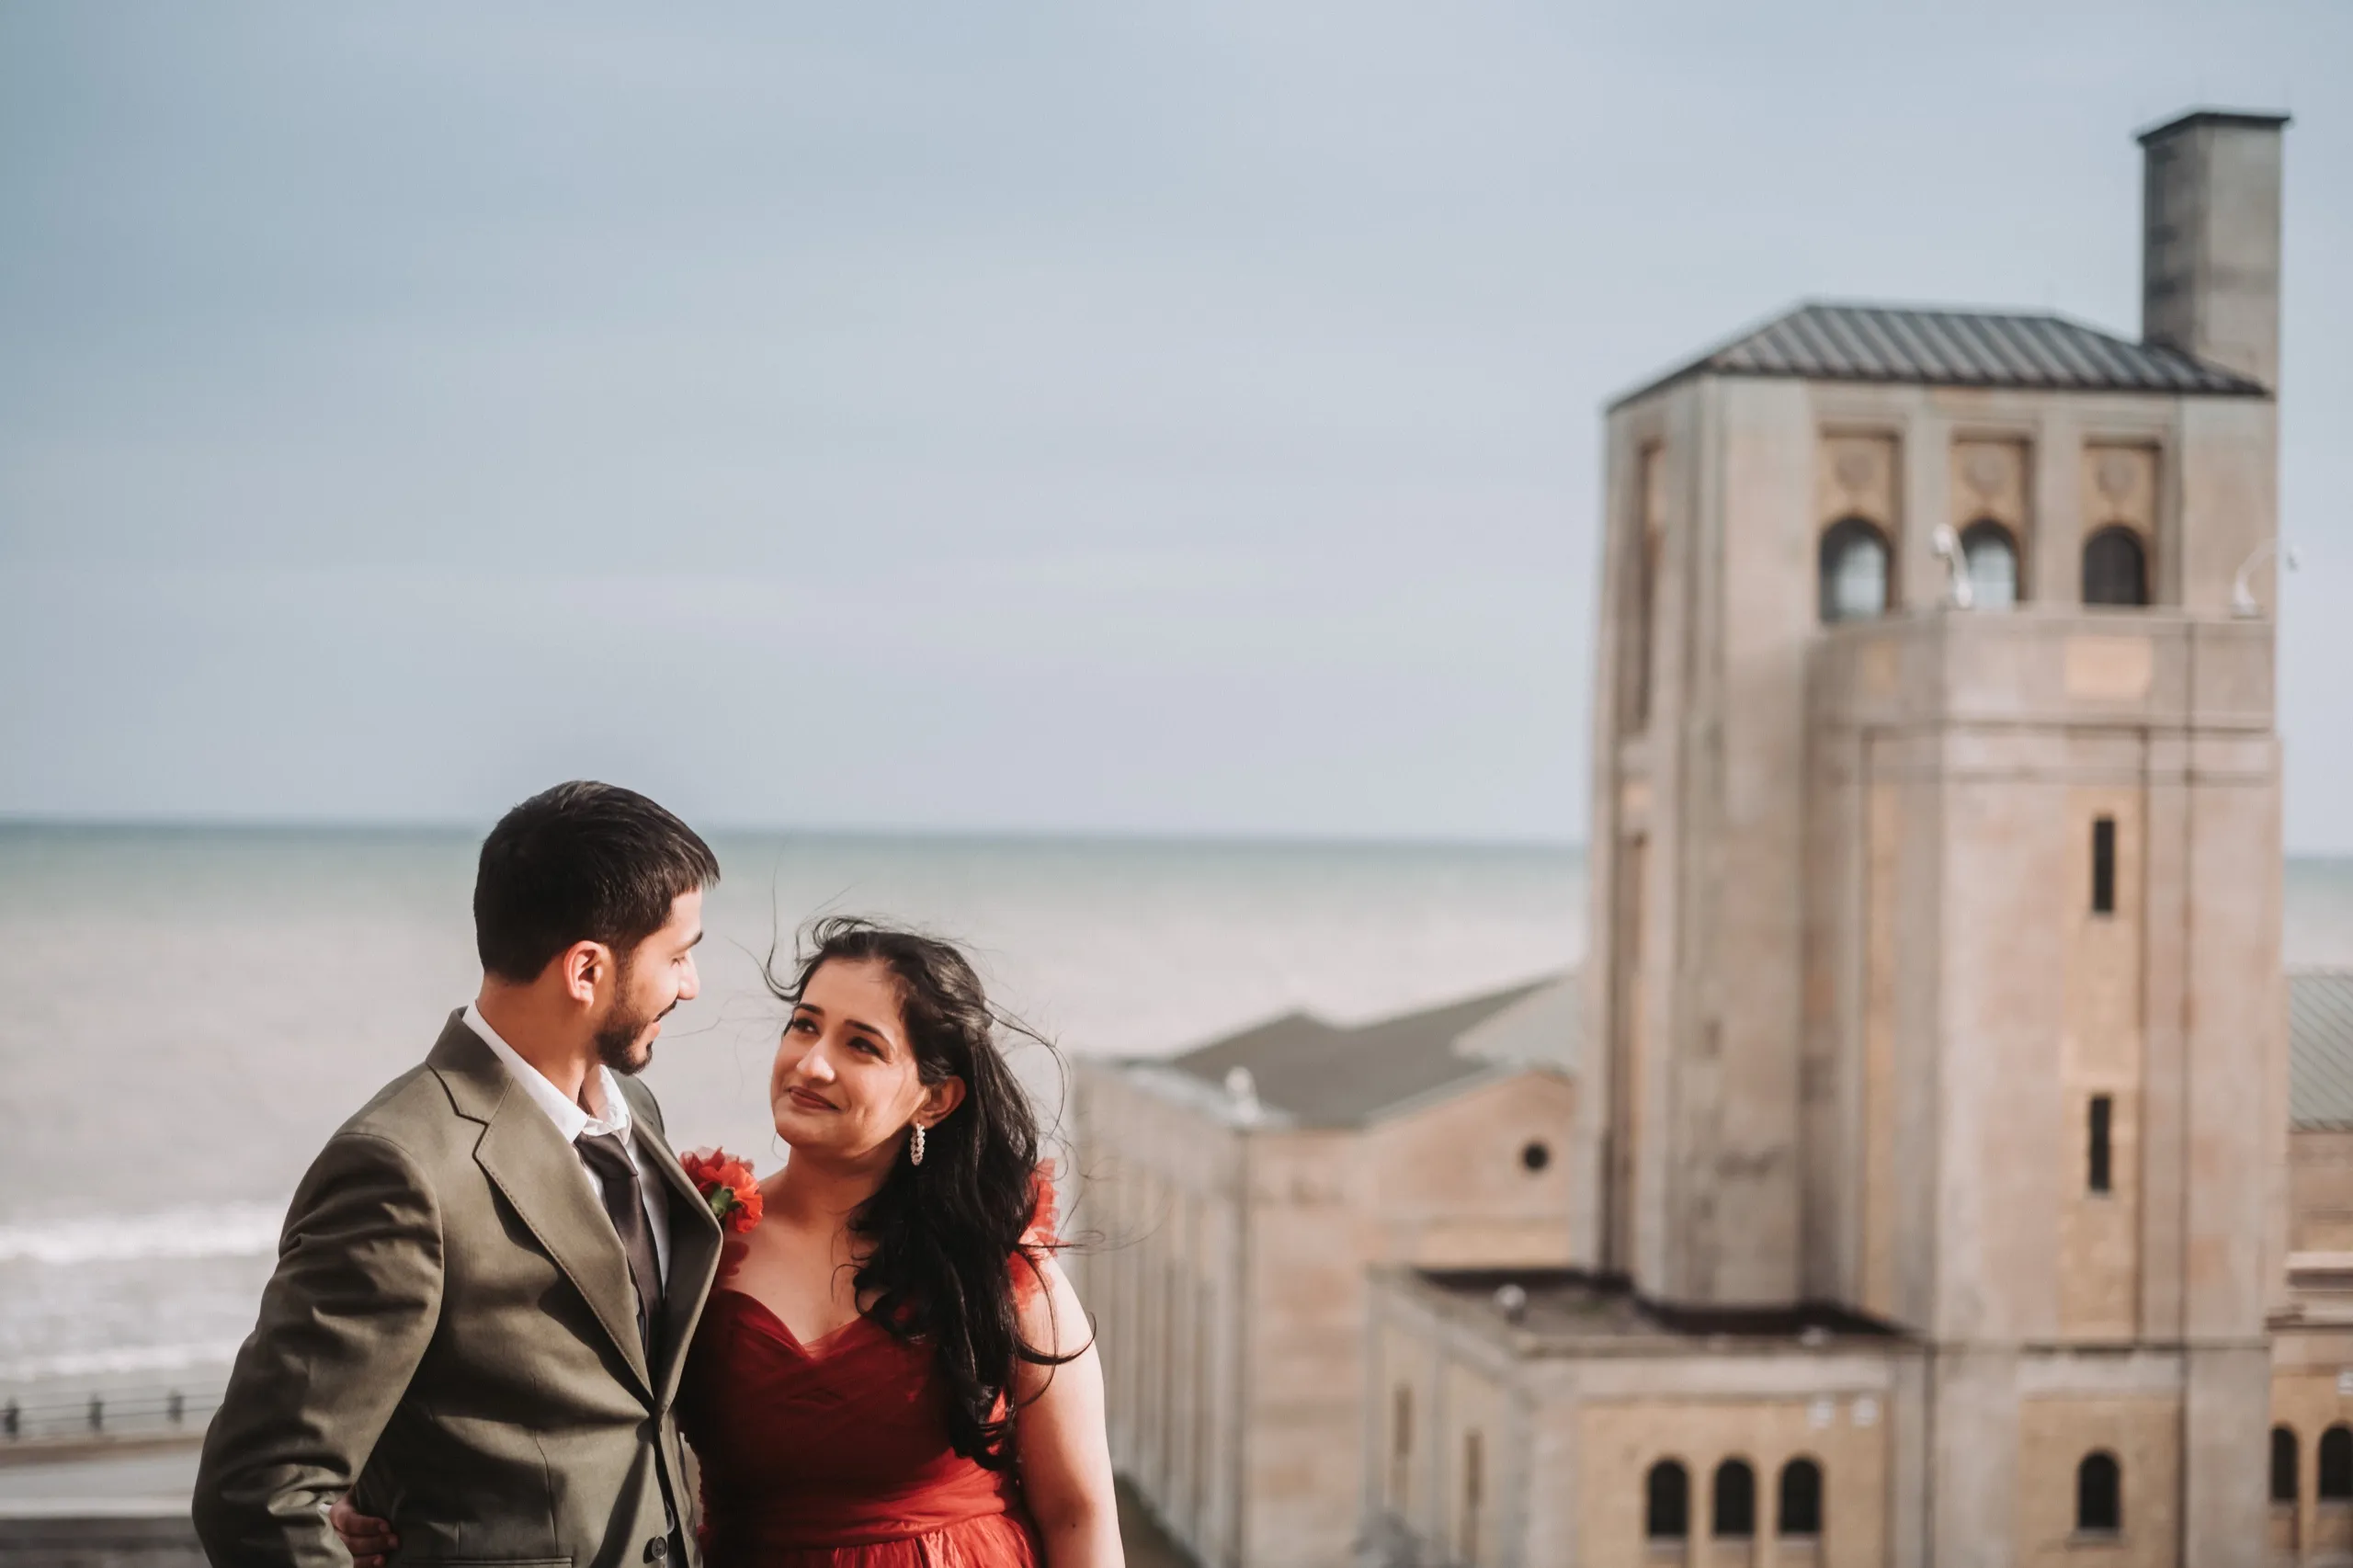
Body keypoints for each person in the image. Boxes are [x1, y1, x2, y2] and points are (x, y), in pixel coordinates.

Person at [335, 916, 1122, 1568]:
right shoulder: (690, 1235)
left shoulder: (996, 1260)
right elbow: (528, 1376)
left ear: (936, 1098)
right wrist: (373, 1486)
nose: (810, 1064)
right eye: (804, 1025)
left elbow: (1079, 1511)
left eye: (862, 1045)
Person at [195, 780, 726, 1568]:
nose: (690, 985)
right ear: (586, 970)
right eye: (677, 957)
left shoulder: (636, 1112)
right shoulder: (399, 1167)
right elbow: (259, 1490)